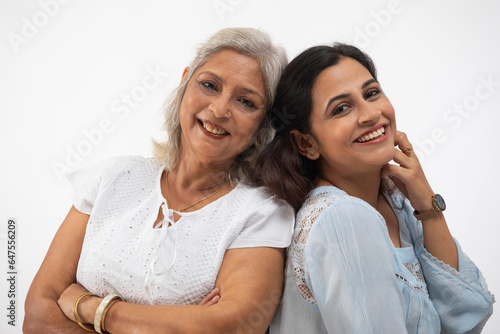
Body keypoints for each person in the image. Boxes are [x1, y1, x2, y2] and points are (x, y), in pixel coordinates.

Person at [23, 27, 293, 334]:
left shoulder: (261, 214)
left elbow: (232, 327)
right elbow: (38, 316)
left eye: (246, 102)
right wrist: (182, 322)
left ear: (263, 128)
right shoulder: (113, 177)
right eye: (209, 85)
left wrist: (90, 307)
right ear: (183, 85)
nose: (219, 109)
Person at [254, 43, 494, 333]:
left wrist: (429, 209)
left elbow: (467, 315)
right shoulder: (344, 219)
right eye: (341, 108)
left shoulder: (395, 200)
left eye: (371, 93)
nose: (370, 114)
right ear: (307, 143)